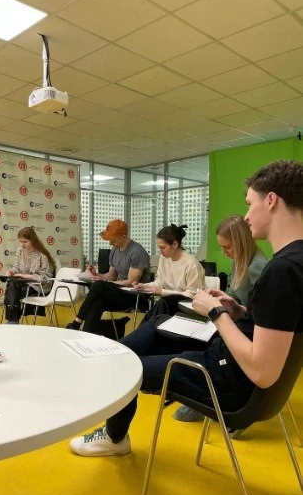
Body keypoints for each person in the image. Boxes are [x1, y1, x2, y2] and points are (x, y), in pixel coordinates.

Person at [69, 158, 303, 457]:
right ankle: (111, 356)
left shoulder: (281, 270)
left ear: (271, 200)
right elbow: (278, 328)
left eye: (249, 204)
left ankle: (114, 435)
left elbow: (263, 371)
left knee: (125, 369)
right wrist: (238, 312)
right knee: (158, 325)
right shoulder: (293, 263)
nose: (246, 216)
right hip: (228, 365)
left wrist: (216, 313)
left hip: (228, 382)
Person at [174, 214, 269, 422]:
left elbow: (261, 313)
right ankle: (201, 391)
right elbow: (238, 297)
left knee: (203, 344)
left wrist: (230, 309)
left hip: (249, 332)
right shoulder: (240, 262)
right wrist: (224, 299)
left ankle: (204, 396)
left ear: (241, 243)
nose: (225, 252)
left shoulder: (258, 267)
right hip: (238, 321)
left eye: (227, 247)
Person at [66, 219, 150, 334]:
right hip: (120, 292)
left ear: (124, 236)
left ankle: (76, 323)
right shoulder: (115, 250)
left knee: (99, 286)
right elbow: (111, 276)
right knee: (97, 303)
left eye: (113, 240)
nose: (110, 243)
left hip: (135, 295)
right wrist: (97, 274)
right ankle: (86, 336)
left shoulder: (137, 252)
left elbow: (131, 282)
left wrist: (105, 283)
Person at [133, 224, 205, 319]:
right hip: (168, 305)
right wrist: (145, 286)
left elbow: (192, 295)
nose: (160, 251)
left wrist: (163, 292)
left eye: (163, 247)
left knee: (161, 307)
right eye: (159, 248)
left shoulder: (191, 264)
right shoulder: (164, 258)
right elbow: (160, 282)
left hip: (186, 308)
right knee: (159, 309)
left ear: (175, 244)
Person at [3, 227, 55, 324]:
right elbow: (17, 267)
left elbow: (46, 278)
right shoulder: (20, 251)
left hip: (38, 286)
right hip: (23, 284)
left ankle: (12, 320)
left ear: (33, 241)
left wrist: (26, 276)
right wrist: (11, 271)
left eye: (25, 242)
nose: (22, 244)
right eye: (20, 242)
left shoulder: (42, 255)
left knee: (11, 289)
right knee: (12, 284)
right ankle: (13, 320)